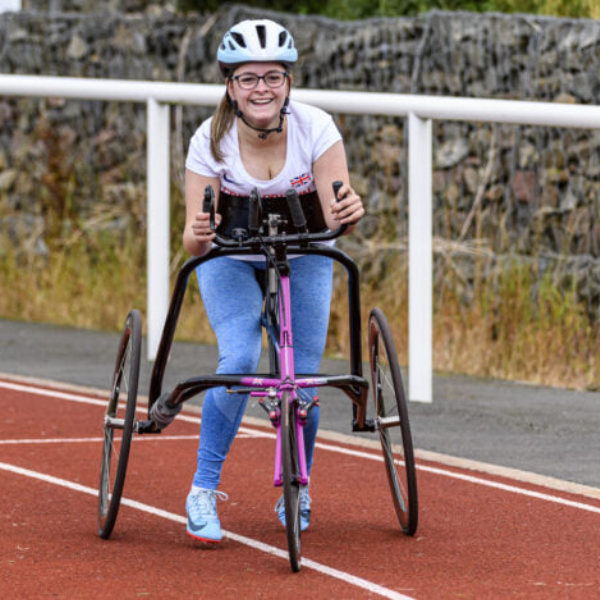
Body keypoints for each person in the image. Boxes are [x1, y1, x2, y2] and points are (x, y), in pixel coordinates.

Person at [182, 18, 364, 543]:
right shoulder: (209, 141)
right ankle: (202, 489)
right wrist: (197, 231)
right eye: (248, 78)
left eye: (273, 76)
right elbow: (195, 245)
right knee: (238, 358)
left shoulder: (317, 128)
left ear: (288, 83)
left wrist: (351, 211)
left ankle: (297, 486)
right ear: (230, 87)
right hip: (231, 259)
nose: (261, 88)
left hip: (304, 252)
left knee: (302, 378)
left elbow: (338, 212)